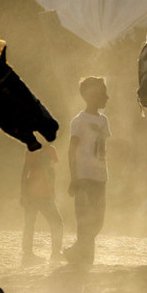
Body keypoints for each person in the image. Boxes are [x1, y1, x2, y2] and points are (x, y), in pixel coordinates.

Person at [65, 76, 110, 266]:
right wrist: (73, 177)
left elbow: (103, 148)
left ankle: (76, 252)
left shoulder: (103, 120)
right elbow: (71, 150)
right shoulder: (79, 121)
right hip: (84, 176)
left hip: (100, 176)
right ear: (91, 96)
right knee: (84, 219)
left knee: (98, 220)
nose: (107, 97)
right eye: (103, 93)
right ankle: (84, 260)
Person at [19, 142, 63, 267]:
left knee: (29, 224)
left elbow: (25, 173)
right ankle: (55, 253)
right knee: (56, 223)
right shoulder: (50, 150)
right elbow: (52, 172)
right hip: (43, 195)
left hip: (32, 193)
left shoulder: (31, 149)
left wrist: (23, 193)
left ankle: (27, 255)